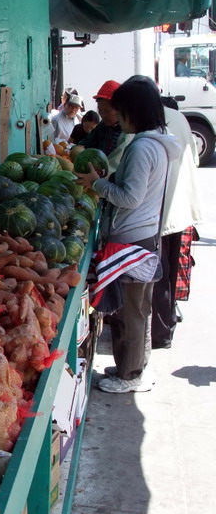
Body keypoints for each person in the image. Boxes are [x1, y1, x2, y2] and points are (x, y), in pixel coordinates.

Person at [75, 80, 181, 393]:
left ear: (134, 112)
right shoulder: (157, 142)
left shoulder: (141, 147)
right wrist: (107, 180)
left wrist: (97, 184)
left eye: (120, 111)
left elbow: (130, 197)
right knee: (136, 308)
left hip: (131, 238)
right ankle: (132, 365)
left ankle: (130, 375)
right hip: (142, 234)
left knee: (131, 311)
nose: (117, 118)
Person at [125, 76, 203, 349]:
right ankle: (165, 328)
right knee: (169, 273)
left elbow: (130, 182)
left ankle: (158, 336)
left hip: (158, 212)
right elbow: (194, 158)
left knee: (156, 278)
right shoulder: (177, 120)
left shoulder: (143, 133)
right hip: (180, 208)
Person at [78, 79, 131, 173]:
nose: (103, 115)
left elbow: (114, 166)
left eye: (107, 111)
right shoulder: (103, 126)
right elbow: (86, 143)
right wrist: (77, 148)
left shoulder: (128, 134)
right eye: (100, 110)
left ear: (120, 109)